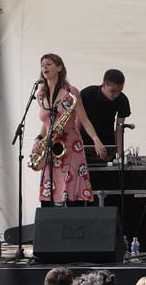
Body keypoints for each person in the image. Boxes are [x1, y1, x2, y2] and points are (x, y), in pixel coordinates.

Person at [33, 53, 106, 206]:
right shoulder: (40, 94)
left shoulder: (71, 92)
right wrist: (38, 139)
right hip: (51, 147)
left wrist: (96, 140)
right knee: (49, 192)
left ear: (59, 68)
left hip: (71, 147)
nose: (45, 67)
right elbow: (46, 122)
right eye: (43, 65)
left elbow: (84, 119)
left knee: (73, 193)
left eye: (49, 64)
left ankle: (75, 227)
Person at [80, 69, 131, 160]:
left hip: (108, 145)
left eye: (120, 91)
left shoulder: (122, 99)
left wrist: (119, 154)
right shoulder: (87, 94)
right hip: (85, 143)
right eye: (113, 91)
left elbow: (119, 128)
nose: (116, 95)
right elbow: (78, 122)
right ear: (104, 85)